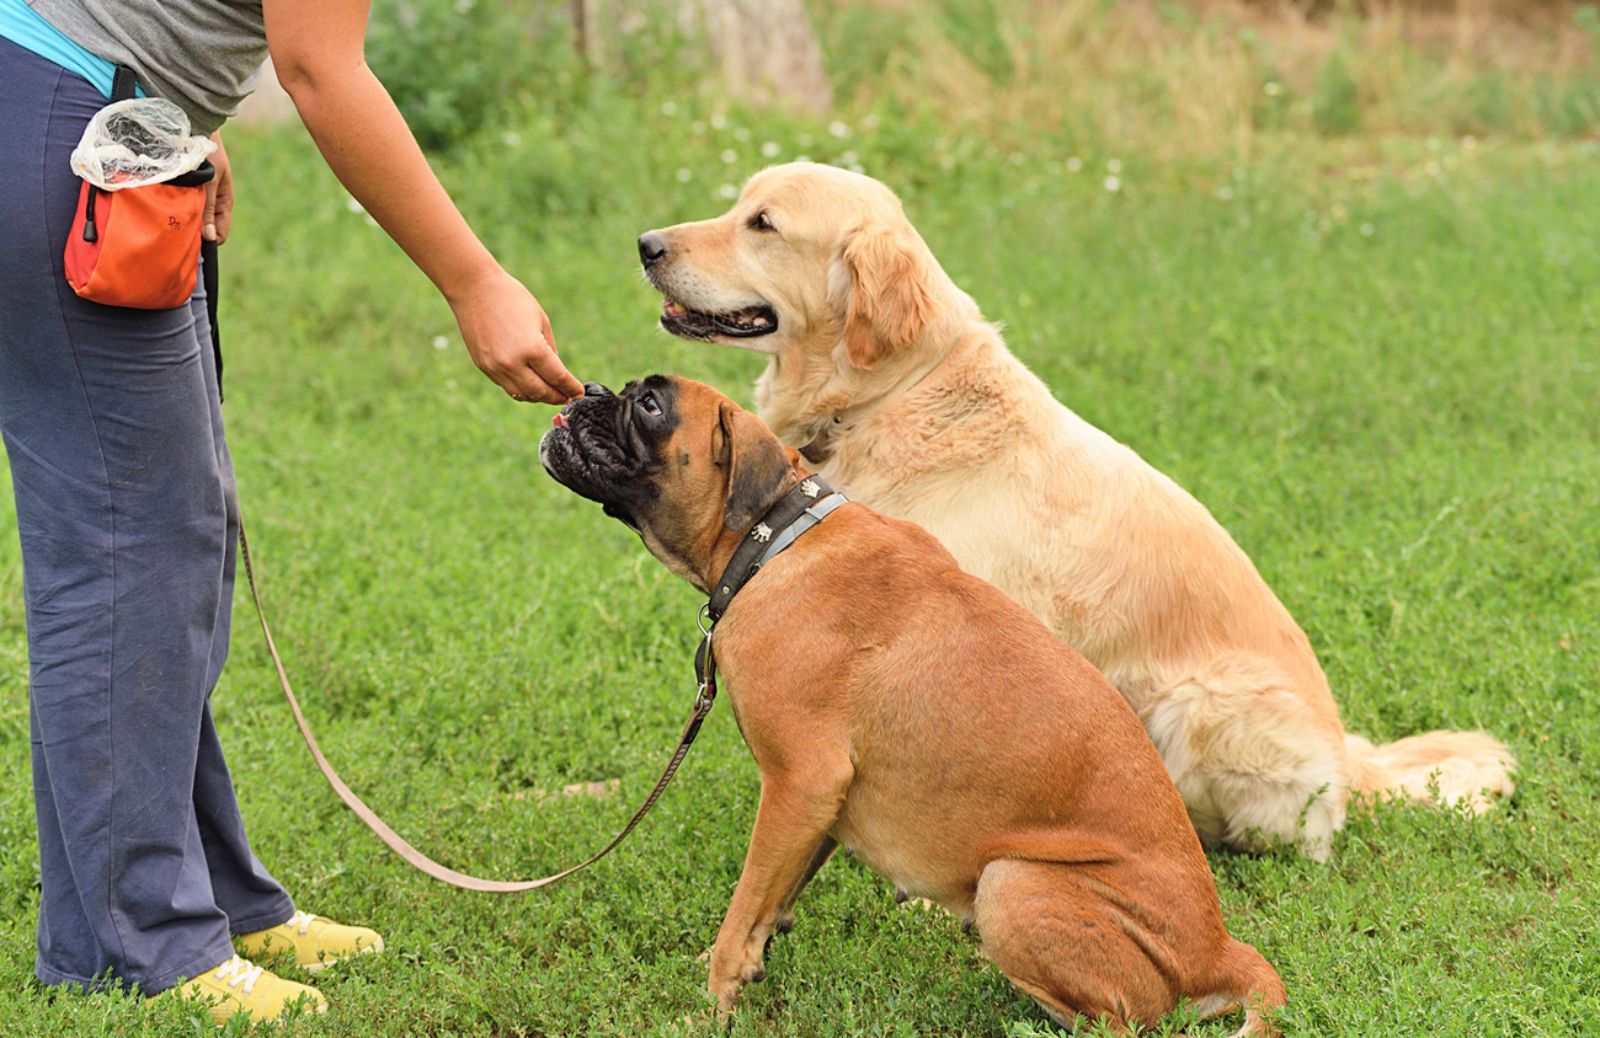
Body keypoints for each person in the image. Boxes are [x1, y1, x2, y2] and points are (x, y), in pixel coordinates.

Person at [0, 0, 584, 1024]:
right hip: (69, 126)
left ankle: (209, 896)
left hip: (106, 123)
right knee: (126, 548)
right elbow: (318, 70)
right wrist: (474, 280)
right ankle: (137, 945)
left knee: (172, 539)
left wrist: (179, 109)